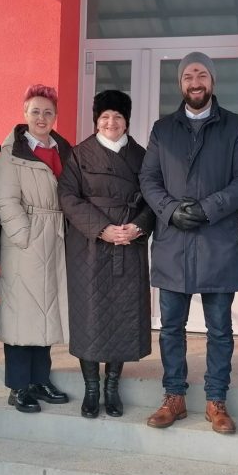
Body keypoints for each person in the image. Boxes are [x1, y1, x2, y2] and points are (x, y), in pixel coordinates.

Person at [139, 52, 238, 434]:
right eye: (188, 75)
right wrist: (170, 210)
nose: (195, 81)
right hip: (173, 243)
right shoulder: (163, 129)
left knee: (220, 329)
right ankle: (174, 396)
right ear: (180, 83)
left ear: (212, 81)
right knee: (171, 327)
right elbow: (148, 179)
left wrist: (208, 209)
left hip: (217, 243)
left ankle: (215, 400)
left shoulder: (236, 128)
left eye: (202, 74)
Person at [58, 90, 154, 419]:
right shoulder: (79, 154)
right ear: (96, 121)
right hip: (89, 247)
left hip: (129, 244)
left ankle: (112, 386)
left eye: (117, 116)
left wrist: (138, 226)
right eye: (105, 117)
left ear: (127, 121)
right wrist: (101, 228)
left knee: (122, 316)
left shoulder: (141, 155)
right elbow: (67, 197)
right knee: (90, 315)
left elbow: (154, 197)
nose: (111, 122)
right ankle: (91, 388)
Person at [0, 84, 71, 414]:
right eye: (35, 111)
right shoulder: (12, 153)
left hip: (55, 237)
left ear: (55, 116)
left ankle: (40, 379)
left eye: (48, 112)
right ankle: (18, 386)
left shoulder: (63, 150)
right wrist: (24, 237)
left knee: (47, 311)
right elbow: (5, 200)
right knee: (21, 314)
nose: (42, 117)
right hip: (26, 242)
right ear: (25, 113)